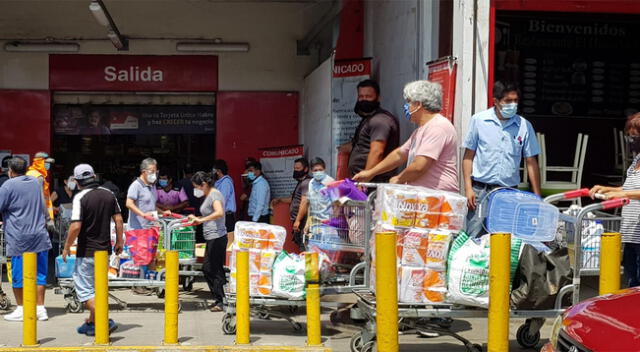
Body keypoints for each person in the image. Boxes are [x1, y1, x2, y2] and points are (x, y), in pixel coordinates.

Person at [462, 81, 541, 238]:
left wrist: (537, 196)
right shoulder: (479, 120)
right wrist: (468, 188)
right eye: (507, 101)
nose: (512, 105)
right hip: (480, 190)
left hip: (508, 192)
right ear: (496, 101)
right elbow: (468, 157)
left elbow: (531, 162)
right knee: (474, 236)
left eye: (515, 101)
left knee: (503, 239)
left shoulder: (524, 126)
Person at [353, 80, 458, 192]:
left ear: (418, 104)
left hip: (438, 198)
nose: (406, 106)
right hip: (425, 196)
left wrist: (399, 179)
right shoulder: (420, 130)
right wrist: (370, 173)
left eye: (409, 102)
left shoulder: (437, 127)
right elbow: (400, 154)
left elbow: (419, 166)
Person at [61, 164, 123, 335]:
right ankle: (91, 321)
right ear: (94, 177)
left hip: (87, 252)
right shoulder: (109, 194)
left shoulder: (80, 197)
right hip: (105, 252)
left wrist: (66, 247)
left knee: (85, 290)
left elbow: (75, 227)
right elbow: (118, 220)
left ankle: (103, 320)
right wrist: (119, 242)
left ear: (77, 181)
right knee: (98, 289)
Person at [590, 112, 640, 287]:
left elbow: (630, 193)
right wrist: (608, 189)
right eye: (630, 136)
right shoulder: (636, 161)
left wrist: (622, 195)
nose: (632, 141)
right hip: (630, 233)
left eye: (636, 137)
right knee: (631, 281)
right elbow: (628, 188)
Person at [0, 157, 52, 321]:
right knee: (40, 274)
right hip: (39, 235)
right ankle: (40, 309)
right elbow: (43, 205)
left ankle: (21, 309)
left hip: (19, 237)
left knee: (18, 274)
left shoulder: (8, 185)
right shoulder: (36, 182)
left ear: (10, 171)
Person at [339, 79, 400, 183]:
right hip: (361, 181)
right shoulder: (368, 119)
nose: (364, 100)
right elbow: (362, 145)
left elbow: (377, 152)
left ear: (378, 98)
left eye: (368, 97)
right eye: (361, 97)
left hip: (373, 183)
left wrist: (365, 181)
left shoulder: (380, 120)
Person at [188, 171, 227, 312]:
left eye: (197, 187)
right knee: (211, 269)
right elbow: (210, 214)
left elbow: (219, 212)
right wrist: (196, 218)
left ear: (204, 184)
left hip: (217, 237)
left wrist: (201, 220)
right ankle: (221, 299)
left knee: (212, 269)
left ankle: (221, 300)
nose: (196, 190)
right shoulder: (208, 195)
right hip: (211, 237)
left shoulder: (214, 194)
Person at [272, 158, 312, 249]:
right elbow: (294, 199)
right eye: (294, 168)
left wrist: (298, 220)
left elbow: (304, 202)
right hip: (299, 222)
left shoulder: (306, 183)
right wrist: (280, 200)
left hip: (304, 222)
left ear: (305, 169)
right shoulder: (301, 183)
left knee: (305, 247)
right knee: (301, 246)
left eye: (298, 168)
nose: (295, 170)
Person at [125, 158, 170, 231]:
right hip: (136, 230)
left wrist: (162, 212)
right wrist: (143, 215)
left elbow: (151, 206)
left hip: (150, 228)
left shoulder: (152, 186)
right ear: (143, 171)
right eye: (152, 172)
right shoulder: (136, 185)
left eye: (156, 172)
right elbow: (129, 204)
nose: (154, 175)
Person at [303, 157, 335, 237]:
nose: (318, 172)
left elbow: (337, 204)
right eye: (315, 170)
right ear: (311, 171)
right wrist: (307, 223)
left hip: (328, 225)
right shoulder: (311, 183)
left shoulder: (331, 183)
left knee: (327, 248)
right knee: (314, 248)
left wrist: (333, 222)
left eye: (320, 170)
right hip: (314, 225)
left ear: (324, 169)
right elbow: (310, 205)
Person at [27, 152, 55, 225]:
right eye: (46, 162)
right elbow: (41, 198)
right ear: (39, 162)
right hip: (39, 216)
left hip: (31, 214)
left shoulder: (29, 173)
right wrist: (48, 218)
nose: (48, 165)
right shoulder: (39, 177)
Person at [213, 159, 237, 242]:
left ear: (218, 171)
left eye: (214, 170)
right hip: (222, 216)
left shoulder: (225, 182)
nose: (213, 172)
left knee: (227, 242)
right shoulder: (219, 183)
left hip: (226, 217)